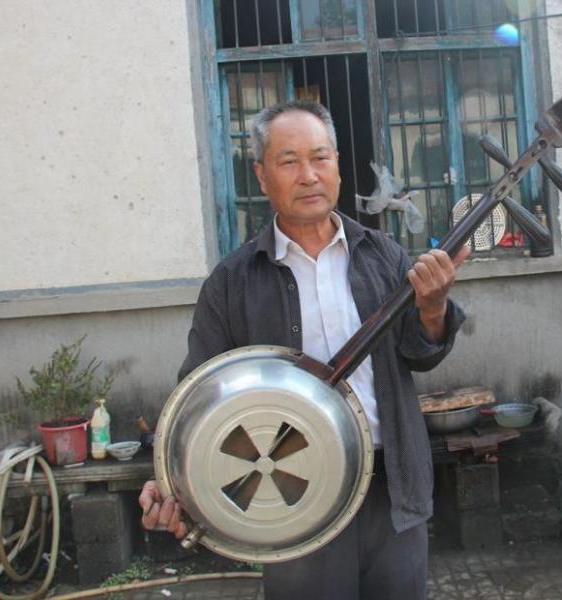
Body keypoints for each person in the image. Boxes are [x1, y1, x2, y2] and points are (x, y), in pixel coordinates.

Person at [138, 99, 469, 600]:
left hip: (393, 486)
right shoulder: (232, 283)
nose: (309, 175)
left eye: (320, 158)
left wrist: (432, 308)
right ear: (262, 175)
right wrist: (171, 483)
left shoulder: (383, 256)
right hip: (293, 491)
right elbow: (196, 399)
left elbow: (421, 355)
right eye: (289, 161)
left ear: (337, 165)